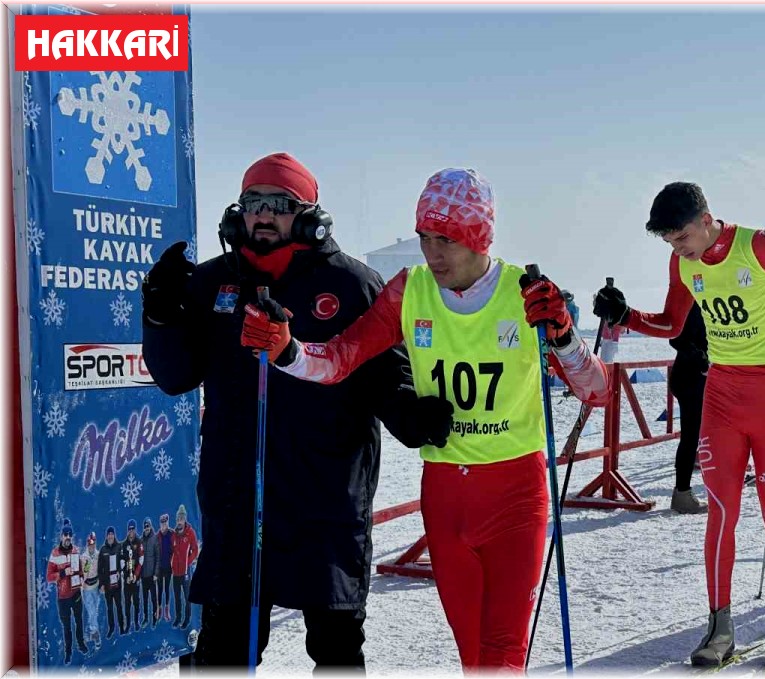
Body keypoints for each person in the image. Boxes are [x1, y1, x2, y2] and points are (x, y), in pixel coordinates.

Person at [242, 167, 609, 671]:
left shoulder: (524, 293)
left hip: (515, 494)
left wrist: (564, 337)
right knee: (471, 656)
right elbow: (339, 358)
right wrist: (287, 352)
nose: (432, 254)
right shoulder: (409, 290)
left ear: (479, 237)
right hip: (445, 495)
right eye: (424, 238)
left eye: (447, 240)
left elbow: (596, 390)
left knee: (503, 656)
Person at [142, 152, 416, 669]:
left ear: (310, 215)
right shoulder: (211, 282)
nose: (262, 215)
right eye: (252, 203)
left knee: (336, 652)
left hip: (326, 504)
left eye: (279, 204)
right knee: (223, 654)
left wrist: (413, 415)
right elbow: (175, 376)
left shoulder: (352, 284)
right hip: (237, 502)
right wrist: (159, 315)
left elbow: (388, 378)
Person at [591, 182, 765, 665]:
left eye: (681, 235)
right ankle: (719, 626)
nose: (678, 247)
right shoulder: (683, 263)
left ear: (706, 218)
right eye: (668, 242)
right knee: (721, 514)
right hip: (722, 396)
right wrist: (625, 315)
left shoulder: (760, 244)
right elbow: (671, 323)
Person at [668, 302, 709, 513]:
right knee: (691, 436)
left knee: (702, 434)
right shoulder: (694, 302)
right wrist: (701, 359)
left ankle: (687, 490)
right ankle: (682, 493)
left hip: (697, 378)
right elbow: (675, 337)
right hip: (690, 379)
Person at [47, 519, 88, 663]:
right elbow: (49, 576)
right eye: (65, 534)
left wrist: (82, 578)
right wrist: (63, 573)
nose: (68, 537)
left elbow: (81, 570)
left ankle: (81, 644)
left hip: (76, 594)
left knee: (79, 621)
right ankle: (68, 651)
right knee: (66, 627)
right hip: (63, 598)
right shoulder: (55, 554)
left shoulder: (76, 550)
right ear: (61, 536)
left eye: (70, 534)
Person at [169, 505, 199, 630]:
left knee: (187, 597)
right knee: (177, 597)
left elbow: (195, 550)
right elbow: (172, 551)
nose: (180, 521)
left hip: (186, 573)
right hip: (175, 573)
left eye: (182, 518)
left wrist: (188, 561)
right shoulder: (174, 535)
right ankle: (178, 617)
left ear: (185, 519)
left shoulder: (190, 532)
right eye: (178, 519)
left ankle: (187, 619)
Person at [97, 526, 124, 639]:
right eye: (109, 534)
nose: (110, 536)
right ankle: (111, 628)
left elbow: (123, 560)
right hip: (107, 585)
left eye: (112, 534)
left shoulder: (119, 547)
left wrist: (120, 571)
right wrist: (101, 584)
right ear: (106, 536)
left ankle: (122, 627)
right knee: (109, 608)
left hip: (117, 584)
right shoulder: (103, 550)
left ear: (114, 535)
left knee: (118, 606)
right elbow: (100, 569)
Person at [80, 531, 102, 651]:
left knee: (95, 611)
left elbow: (102, 570)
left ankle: (91, 630)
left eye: (93, 544)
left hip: (96, 586)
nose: (91, 546)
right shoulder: (84, 557)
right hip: (87, 588)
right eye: (89, 544)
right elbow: (84, 574)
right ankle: (96, 634)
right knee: (91, 611)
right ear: (87, 545)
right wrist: (87, 566)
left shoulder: (99, 554)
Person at [120, 519, 143, 633]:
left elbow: (141, 561)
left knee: (136, 602)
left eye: (133, 529)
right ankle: (128, 624)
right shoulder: (123, 545)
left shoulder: (139, 542)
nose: (131, 531)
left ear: (135, 529)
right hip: (127, 580)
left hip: (136, 579)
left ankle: (137, 621)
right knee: (127, 603)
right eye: (130, 529)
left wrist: (135, 575)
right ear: (127, 530)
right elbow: (122, 563)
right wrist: (126, 576)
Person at [139, 517, 159, 628]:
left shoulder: (154, 539)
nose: (147, 528)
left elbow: (158, 557)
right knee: (145, 598)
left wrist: (156, 573)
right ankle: (146, 618)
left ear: (151, 526)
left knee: (153, 598)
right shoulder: (141, 540)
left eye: (148, 526)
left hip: (152, 575)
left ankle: (155, 617)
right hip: (143, 576)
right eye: (145, 526)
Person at [154, 513, 173, 625]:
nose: (164, 525)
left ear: (167, 523)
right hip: (160, 567)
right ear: (160, 524)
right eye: (162, 523)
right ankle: (159, 608)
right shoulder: (157, 536)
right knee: (160, 589)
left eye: (165, 523)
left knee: (167, 588)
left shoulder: (172, 534)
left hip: (169, 567)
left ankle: (167, 609)